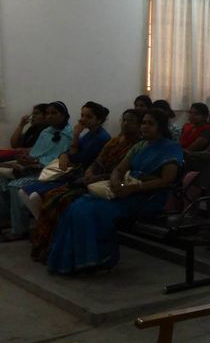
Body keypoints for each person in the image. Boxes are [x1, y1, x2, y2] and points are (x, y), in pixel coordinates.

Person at [46, 109, 183, 274]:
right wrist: (115, 181)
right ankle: (72, 260)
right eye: (143, 123)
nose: (145, 127)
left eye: (150, 124)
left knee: (92, 211)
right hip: (125, 191)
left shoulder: (170, 148)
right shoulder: (140, 146)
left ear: (161, 127)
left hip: (148, 197)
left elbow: (166, 181)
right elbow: (119, 169)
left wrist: (133, 188)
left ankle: (99, 258)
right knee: (78, 206)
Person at [30, 109, 141, 262]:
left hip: (109, 185)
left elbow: (127, 173)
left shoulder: (137, 145)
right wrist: (90, 172)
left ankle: (63, 252)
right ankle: (48, 247)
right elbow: (97, 161)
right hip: (91, 180)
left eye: (131, 121)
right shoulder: (114, 141)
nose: (125, 124)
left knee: (64, 201)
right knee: (52, 196)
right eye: (124, 120)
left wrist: (95, 177)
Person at [15, 102, 112, 236]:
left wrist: (74, 138)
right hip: (70, 174)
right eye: (82, 115)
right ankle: (46, 228)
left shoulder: (101, 137)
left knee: (35, 196)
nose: (83, 119)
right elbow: (69, 153)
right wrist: (65, 155)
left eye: (88, 117)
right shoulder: (89, 134)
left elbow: (79, 157)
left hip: (82, 178)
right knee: (24, 192)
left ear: (99, 120)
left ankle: (49, 229)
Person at [0, 102, 74, 239]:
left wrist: (33, 163)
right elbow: (37, 153)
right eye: (47, 113)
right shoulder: (46, 131)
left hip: (51, 174)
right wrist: (27, 160)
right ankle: (6, 219)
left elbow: (57, 162)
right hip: (35, 168)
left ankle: (19, 230)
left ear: (64, 115)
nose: (49, 116)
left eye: (54, 113)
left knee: (14, 186)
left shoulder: (69, 135)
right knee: (2, 179)